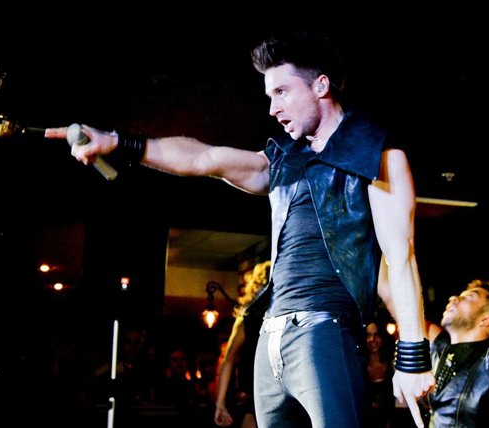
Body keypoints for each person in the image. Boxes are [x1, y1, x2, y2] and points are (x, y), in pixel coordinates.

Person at [46, 30, 434, 428]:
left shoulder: (375, 153)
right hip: (269, 342)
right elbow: (204, 158)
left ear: (321, 86)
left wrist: (412, 356)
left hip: (323, 334)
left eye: (282, 92)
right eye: (269, 95)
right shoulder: (283, 159)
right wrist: (117, 142)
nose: (273, 108)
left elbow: (401, 257)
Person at [379, 262, 489, 427]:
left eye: (469, 297)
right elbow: (391, 294)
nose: (453, 298)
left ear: (486, 320)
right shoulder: (439, 346)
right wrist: (386, 252)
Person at [215, 260, 271, 428]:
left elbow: (228, 359)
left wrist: (220, 403)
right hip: (279, 392)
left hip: (255, 392)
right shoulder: (286, 316)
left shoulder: (248, 318)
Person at [364, 319, 395, 428]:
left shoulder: (393, 364)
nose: (372, 340)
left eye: (376, 335)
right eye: (368, 335)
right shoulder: (359, 366)